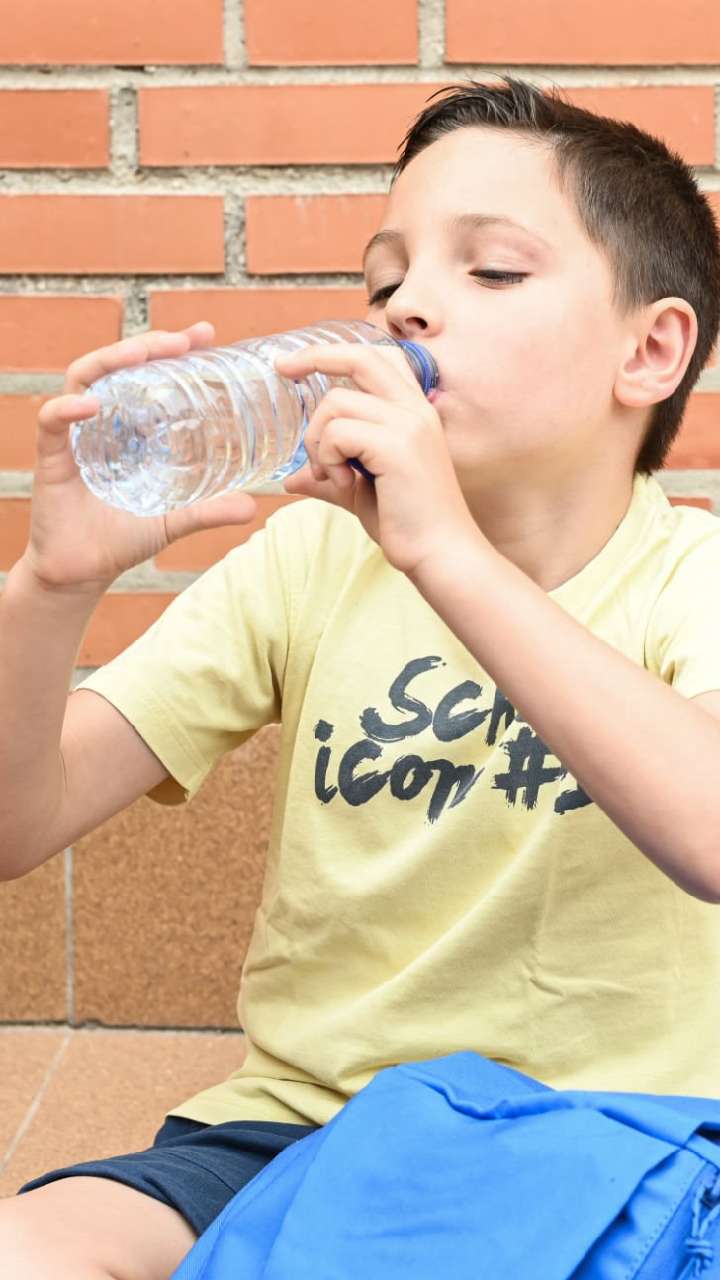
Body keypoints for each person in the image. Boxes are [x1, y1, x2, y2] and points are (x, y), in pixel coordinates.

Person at [2, 72, 720, 1279]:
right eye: (387, 282)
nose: (410, 307)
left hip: (616, 1138)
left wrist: (447, 553)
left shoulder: (692, 575)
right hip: (304, 1130)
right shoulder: (310, 560)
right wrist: (49, 586)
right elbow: (18, 823)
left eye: (493, 270)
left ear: (649, 351)